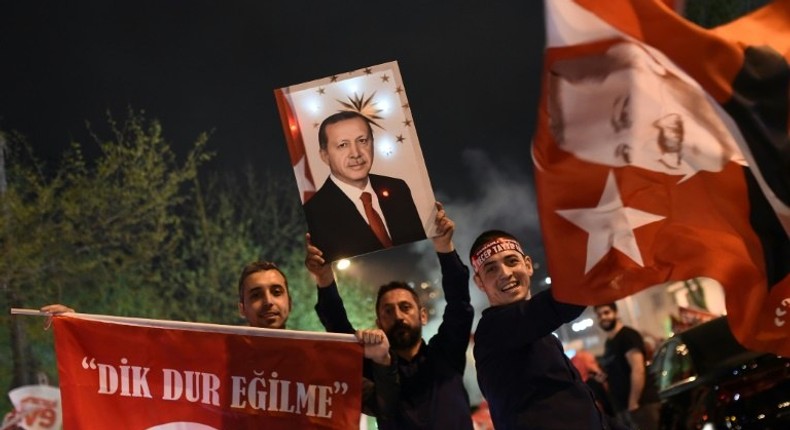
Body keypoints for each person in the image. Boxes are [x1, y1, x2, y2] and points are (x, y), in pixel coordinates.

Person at [41, 260, 398, 419]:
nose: (268, 302)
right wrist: (78, 325)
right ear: (241, 307)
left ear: (289, 301)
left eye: (276, 292)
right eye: (256, 295)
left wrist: (382, 361)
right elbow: (136, 368)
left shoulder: (318, 360)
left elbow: (384, 408)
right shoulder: (214, 356)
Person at [305, 202, 474, 429]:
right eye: (388, 310)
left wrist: (444, 247)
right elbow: (338, 327)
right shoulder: (375, 366)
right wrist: (324, 278)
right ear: (379, 323)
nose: (398, 315)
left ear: (423, 316)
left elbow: (459, 305)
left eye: (406, 307)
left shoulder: (446, 354)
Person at [470, 230, 609, 429]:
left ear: (527, 265)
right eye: (491, 269)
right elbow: (559, 304)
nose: (505, 273)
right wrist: (599, 256)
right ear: (479, 283)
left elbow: (580, 404)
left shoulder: (543, 335)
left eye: (511, 261)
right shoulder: (491, 332)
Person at [303, 110, 426, 262]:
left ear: (373, 144)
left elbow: (418, 249)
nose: (356, 153)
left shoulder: (398, 188)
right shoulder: (313, 212)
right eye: (343, 145)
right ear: (324, 155)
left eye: (362, 141)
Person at [594, 303, 661, 430]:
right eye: (599, 315)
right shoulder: (609, 343)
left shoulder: (628, 336)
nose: (603, 317)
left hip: (641, 405)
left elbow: (638, 369)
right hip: (623, 409)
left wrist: (633, 403)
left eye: (606, 312)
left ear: (616, 313)